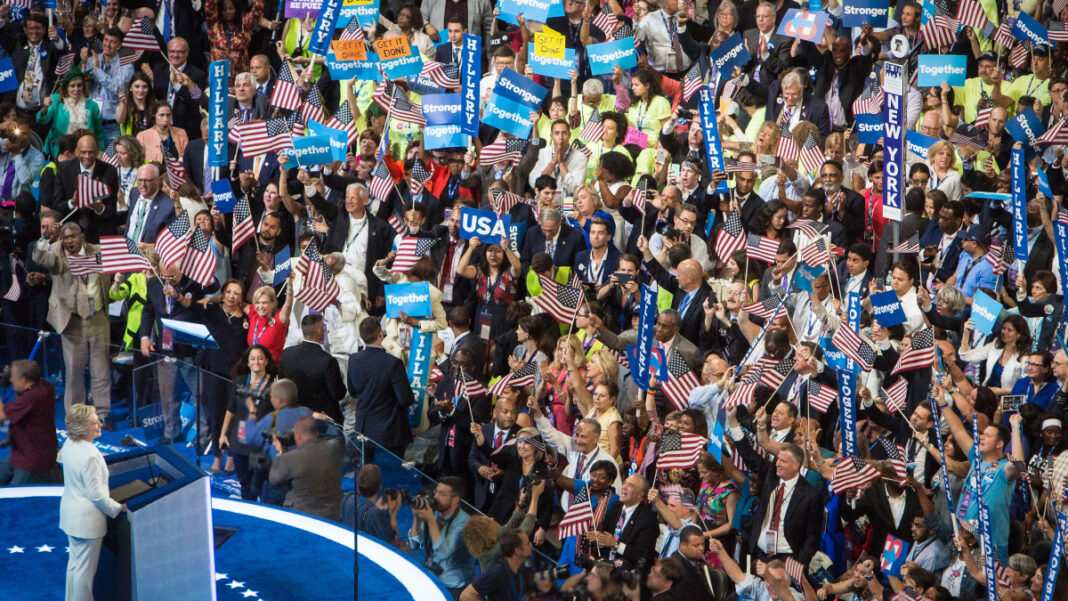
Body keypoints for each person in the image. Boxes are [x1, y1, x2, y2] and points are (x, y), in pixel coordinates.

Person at [32, 223, 113, 423]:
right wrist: (45, 238)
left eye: (72, 237)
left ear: (82, 237)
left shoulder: (98, 251)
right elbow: (40, 257)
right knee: (74, 370)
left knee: (101, 369)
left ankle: (102, 414)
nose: (69, 241)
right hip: (72, 320)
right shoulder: (57, 252)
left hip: (99, 318)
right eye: (65, 237)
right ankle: (76, 417)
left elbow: (122, 257)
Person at [58, 404, 127, 601]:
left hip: (71, 517)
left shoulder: (70, 444)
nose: (98, 423)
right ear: (82, 428)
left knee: (75, 567)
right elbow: (96, 496)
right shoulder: (90, 457)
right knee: (84, 575)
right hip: (86, 523)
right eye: (93, 421)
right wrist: (118, 508)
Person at [348, 318, 416, 458]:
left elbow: (353, 391)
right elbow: (405, 399)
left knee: (367, 474)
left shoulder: (353, 360)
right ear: (380, 334)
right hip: (389, 433)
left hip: (364, 430)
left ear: (361, 336)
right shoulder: (393, 363)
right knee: (390, 476)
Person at [409, 477, 478, 599]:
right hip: (433, 581)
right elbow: (415, 545)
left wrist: (430, 520)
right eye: (436, 492)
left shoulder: (464, 523)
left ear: (455, 499)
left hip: (455, 588)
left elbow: (443, 551)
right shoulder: (436, 514)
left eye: (442, 494)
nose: (435, 497)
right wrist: (416, 518)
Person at [268, 415, 344, 521]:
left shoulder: (290, 458)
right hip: (333, 515)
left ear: (298, 436)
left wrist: (279, 452)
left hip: (303, 519)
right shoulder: (334, 448)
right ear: (317, 433)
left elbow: (274, 481)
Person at [279, 314, 347, 423]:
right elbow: (338, 394)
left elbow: (283, 385)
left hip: (294, 418)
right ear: (320, 331)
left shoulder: (286, 354)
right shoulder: (327, 360)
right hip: (323, 422)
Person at [0, 360, 57, 485]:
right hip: (24, 448)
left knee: (14, 497)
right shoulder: (46, 386)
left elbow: (1, 416)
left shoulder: (29, 399)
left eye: (13, 378)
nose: (11, 380)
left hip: (31, 457)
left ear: (24, 379)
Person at [458, 527, 533, 601]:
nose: (531, 545)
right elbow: (466, 595)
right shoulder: (497, 572)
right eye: (527, 544)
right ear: (517, 551)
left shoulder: (522, 567)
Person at [354, 464, 401, 543]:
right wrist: (393, 512)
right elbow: (394, 544)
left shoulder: (348, 499)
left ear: (358, 486)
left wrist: (374, 506)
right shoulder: (376, 514)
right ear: (380, 487)